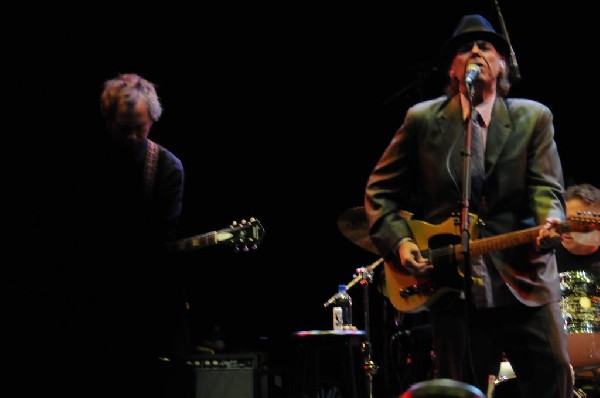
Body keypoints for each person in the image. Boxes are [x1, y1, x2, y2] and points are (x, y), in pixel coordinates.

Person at [364, 14, 573, 397]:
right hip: (452, 288)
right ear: (453, 68)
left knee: (552, 377)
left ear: (503, 64)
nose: (475, 51)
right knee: (459, 390)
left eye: (486, 46)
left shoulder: (534, 117)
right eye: (465, 48)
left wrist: (551, 221)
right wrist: (400, 243)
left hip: (524, 280)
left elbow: (547, 187)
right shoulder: (423, 120)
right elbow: (380, 192)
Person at [9, 73, 191, 398]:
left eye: (141, 127)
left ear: (152, 119)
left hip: (144, 308)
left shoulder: (166, 168)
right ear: (108, 122)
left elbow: (163, 237)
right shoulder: (84, 164)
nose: (134, 137)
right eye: (125, 129)